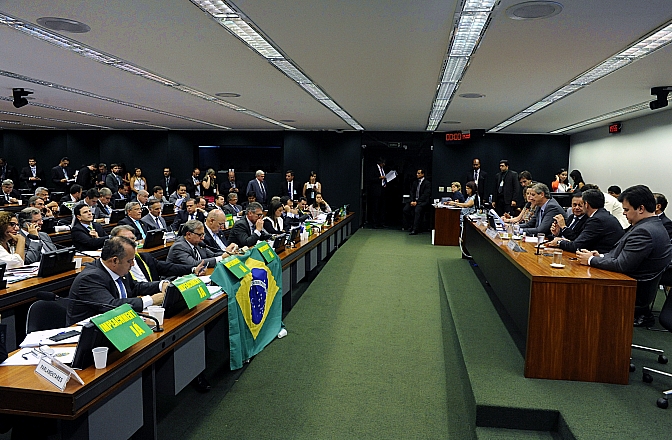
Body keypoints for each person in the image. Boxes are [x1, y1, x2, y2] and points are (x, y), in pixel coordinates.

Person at [577, 185, 672, 327]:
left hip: (630, 289)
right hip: (632, 283)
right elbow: (622, 254)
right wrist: (600, 256)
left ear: (640, 208)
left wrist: (590, 260)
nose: (623, 213)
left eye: (626, 210)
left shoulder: (645, 231)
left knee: (577, 291)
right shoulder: (650, 225)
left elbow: (622, 265)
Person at [66, 236, 167, 325]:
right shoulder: (90, 278)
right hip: (87, 333)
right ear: (115, 260)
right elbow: (111, 305)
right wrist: (152, 300)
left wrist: (161, 285)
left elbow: (135, 287)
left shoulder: (119, 269)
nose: (133, 264)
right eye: (130, 261)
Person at [110, 225, 204, 282]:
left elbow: (167, 267)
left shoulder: (144, 257)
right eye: (125, 239)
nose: (131, 242)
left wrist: (192, 269)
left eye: (132, 239)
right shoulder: (115, 264)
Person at [547, 189, 624, 254]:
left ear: (586, 204)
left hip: (604, 258)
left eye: (581, 204)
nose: (577, 207)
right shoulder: (602, 215)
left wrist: (559, 242)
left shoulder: (596, 220)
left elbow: (577, 246)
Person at [403, 169, 431, 235]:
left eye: (419, 173)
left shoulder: (427, 183)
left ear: (423, 174)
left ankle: (415, 229)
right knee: (405, 210)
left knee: (417, 210)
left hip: (422, 202)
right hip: (414, 201)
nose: (417, 174)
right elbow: (412, 192)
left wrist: (417, 202)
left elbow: (425, 195)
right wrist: (412, 201)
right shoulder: (415, 182)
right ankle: (411, 224)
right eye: (417, 173)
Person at [368, 158, 387, 229]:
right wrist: (379, 178)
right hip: (375, 190)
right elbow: (370, 179)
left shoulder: (383, 169)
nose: (384, 164)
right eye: (383, 163)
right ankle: (374, 223)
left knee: (382, 207)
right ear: (380, 163)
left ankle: (382, 222)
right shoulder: (373, 169)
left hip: (382, 189)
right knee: (375, 207)